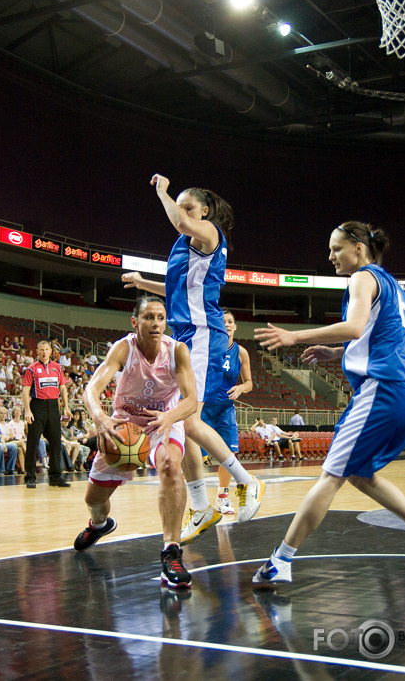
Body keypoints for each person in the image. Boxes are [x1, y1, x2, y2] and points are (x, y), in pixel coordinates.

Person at [252, 221, 405, 583]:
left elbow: (356, 326)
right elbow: (383, 337)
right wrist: (335, 353)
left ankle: (280, 561)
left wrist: (293, 335)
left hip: (384, 390)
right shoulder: (392, 285)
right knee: (360, 473)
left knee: (330, 475)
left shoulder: (362, 278)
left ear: (359, 249)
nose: (330, 256)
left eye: (336, 249)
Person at [122, 174, 265, 544]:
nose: (183, 213)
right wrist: (143, 284)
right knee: (182, 425)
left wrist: (162, 192)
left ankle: (247, 482)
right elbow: (175, 289)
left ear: (204, 211)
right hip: (184, 334)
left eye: (190, 207)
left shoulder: (208, 233)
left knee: (188, 416)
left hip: (203, 332)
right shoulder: (185, 247)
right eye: (180, 205)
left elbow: (180, 221)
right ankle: (201, 506)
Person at [74, 297, 198, 589]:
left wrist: (170, 417)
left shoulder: (177, 350)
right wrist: (100, 418)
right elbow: (92, 387)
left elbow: (192, 400)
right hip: (124, 426)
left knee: (170, 466)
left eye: (161, 317)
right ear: (135, 322)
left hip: (162, 421)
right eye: (149, 317)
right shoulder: (124, 348)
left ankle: (171, 552)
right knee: (94, 501)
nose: (156, 323)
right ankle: (100, 525)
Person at [200, 309, 253, 515]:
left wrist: (241, 387)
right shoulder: (208, 347)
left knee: (228, 454)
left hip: (225, 409)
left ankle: (223, 498)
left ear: (235, 326)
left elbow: (249, 383)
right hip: (204, 407)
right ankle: (199, 502)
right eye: (223, 322)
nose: (227, 324)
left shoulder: (241, 352)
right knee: (198, 456)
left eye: (230, 321)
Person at [22, 340, 72, 489]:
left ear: (51, 351)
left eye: (46, 349)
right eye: (41, 350)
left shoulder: (58, 368)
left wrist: (66, 407)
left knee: (56, 442)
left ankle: (55, 477)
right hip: (37, 406)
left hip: (53, 406)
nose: (44, 352)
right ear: (37, 352)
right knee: (33, 442)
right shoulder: (31, 369)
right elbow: (25, 390)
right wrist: (27, 410)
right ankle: (30, 477)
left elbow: (63, 388)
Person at [8, 406, 27, 474]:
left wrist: (24, 438)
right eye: (15, 410)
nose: (17, 412)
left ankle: (23, 470)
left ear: (21, 413)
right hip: (14, 440)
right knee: (21, 443)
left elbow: (23, 434)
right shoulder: (11, 423)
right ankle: (30, 458)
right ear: (13, 413)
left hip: (21, 440)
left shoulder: (22, 423)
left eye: (18, 410)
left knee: (20, 449)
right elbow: (12, 436)